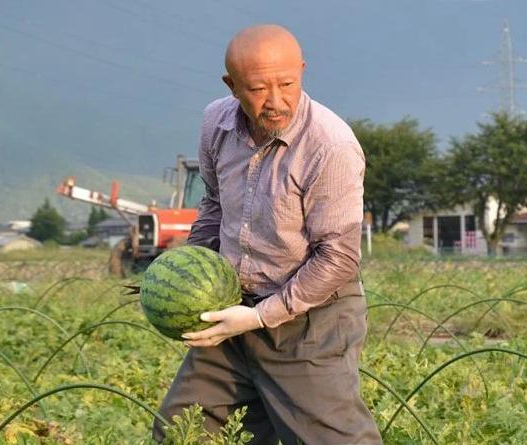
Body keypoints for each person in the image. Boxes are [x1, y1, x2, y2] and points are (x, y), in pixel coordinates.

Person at [151, 24, 383, 445]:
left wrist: (260, 317)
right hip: (232, 307)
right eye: (258, 89)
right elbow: (215, 204)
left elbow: (339, 257)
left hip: (310, 317)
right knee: (182, 432)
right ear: (232, 86)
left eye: (287, 84)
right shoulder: (215, 124)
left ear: (303, 72)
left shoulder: (330, 146)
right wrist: (187, 272)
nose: (275, 101)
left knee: (328, 438)